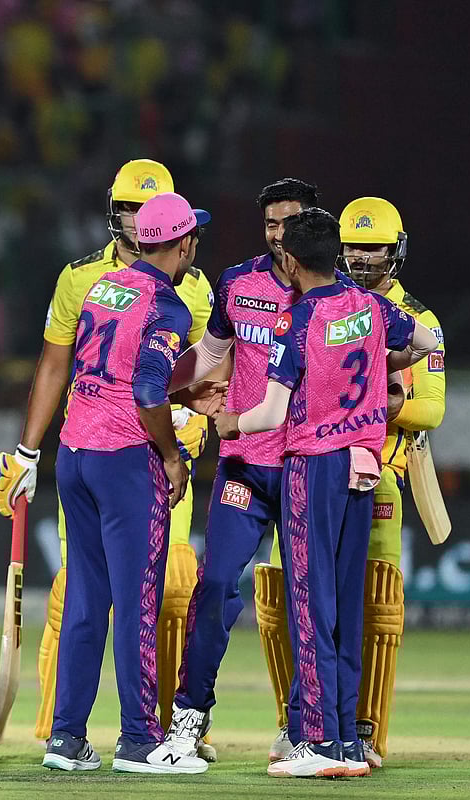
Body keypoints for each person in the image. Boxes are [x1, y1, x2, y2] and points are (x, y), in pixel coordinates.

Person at [0, 160, 218, 751]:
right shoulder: (164, 296)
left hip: (78, 450)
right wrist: (172, 449)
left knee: (90, 600)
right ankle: (142, 739)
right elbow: (147, 387)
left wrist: (192, 408)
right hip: (128, 453)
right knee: (139, 599)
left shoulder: (98, 286)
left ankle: (67, 739)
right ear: (182, 239)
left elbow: (176, 369)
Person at [216, 208, 437, 778]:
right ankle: (344, 742)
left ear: (289, 261)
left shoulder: (298, 322)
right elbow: (429, 337)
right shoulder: (373, 308)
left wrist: (226, 423)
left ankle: (316, 742)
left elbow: (268, 412)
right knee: (344, 605)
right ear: (335, 255)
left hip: (311, 469)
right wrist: (390, 367)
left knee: (310, 607)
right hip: (361, 469)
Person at [281, 196, 444, 768]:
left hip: (368, 470)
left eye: (374, 245)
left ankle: (346, 732)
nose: (364, 256)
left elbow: (431, 410)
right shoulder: (367, 309)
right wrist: (376, 391)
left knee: (361, 607)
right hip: (356, 460)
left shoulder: (403, 312)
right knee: (305, 601)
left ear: (395, 248)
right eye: (354, 245)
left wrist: (380, 398)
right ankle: (315, 724)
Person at [161, 178, 318, 760]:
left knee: (309, 598)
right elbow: (209, 356)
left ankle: (303, 726)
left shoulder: (337, 293)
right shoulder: (238, 282)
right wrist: (156, 388)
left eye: (291, 223)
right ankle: (189, 720)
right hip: (244, 467)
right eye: (271, 224)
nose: (280, 236)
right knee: (215, 586)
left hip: (310, 466)